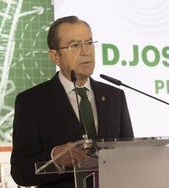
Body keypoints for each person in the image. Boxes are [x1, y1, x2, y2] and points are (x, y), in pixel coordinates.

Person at [10, 16, 134, 188]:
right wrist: (55, 159)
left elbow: (130, 155)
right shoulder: (31, 102)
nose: (86, 51)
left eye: (89, 43)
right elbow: (20, 172)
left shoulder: (115, 96)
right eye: (75, 45)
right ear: (55, 56)